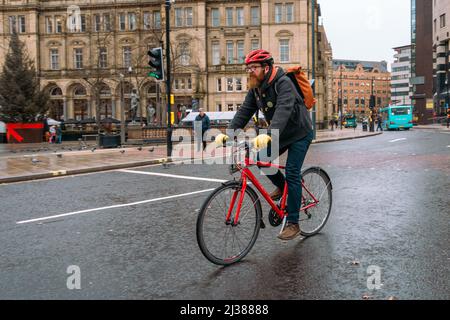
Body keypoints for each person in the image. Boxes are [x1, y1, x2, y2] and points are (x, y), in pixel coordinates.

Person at [215, 49, 313, 241]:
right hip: (281, 133)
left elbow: (284, 110)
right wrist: (229, 134)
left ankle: (293, 223)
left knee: (293, 171)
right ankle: (282, 185)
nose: (250, 71)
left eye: (254, 67)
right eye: (248, 68)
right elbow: (244, 111)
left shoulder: (283, 83)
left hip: (300, 132)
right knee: (261, 160)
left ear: (266, 68)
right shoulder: (256, 88)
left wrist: (268, 134)